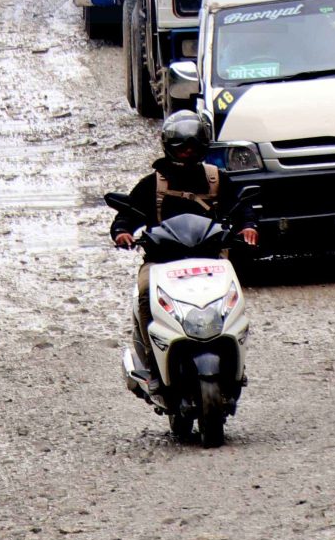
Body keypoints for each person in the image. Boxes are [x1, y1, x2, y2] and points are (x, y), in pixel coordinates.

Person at [111, 110, 258, 378]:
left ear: (202, 146)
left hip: (211, 259)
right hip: (161, 261)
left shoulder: (216, 179)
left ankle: (235, 361)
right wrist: (122, 231)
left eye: (193, 145)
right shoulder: (151, 183)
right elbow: (127, 214)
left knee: (234, 296)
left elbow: (241, 207)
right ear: (169, 146)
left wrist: (248, 226)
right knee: (145, 293)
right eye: (181, 146)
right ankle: (153, 361)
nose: (187, 151)